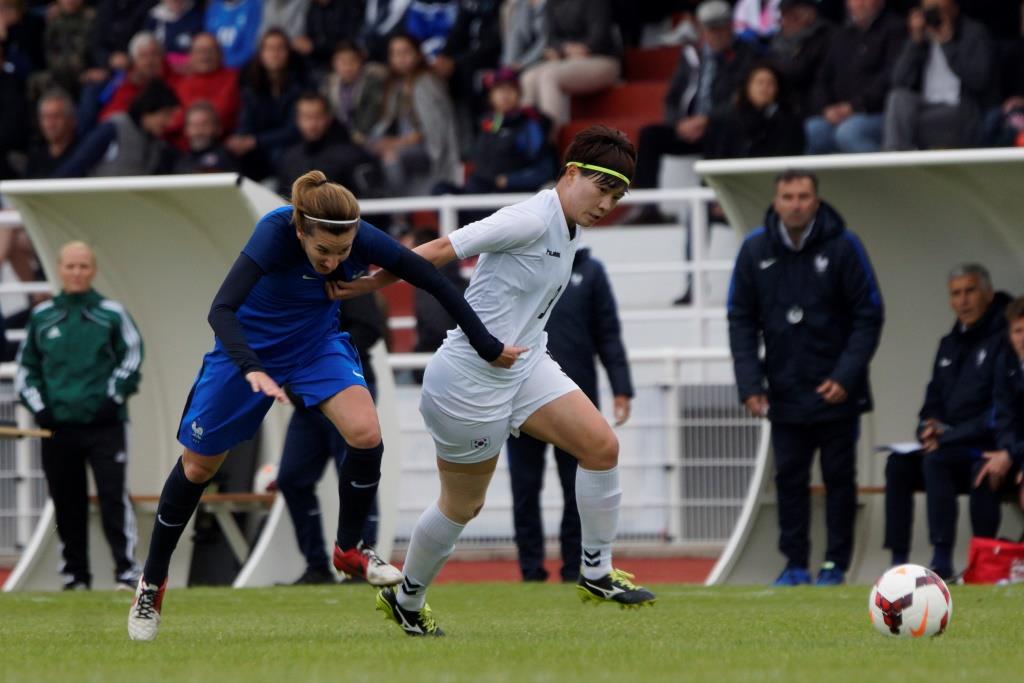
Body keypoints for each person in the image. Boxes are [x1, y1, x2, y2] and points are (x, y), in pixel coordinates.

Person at [126, 169, 521, 641]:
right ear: (300, 231)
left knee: (366, 433)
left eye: (343, 251)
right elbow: (221, 309)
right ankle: (152, 583)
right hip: (246, 353)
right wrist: (251, 367)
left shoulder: (357, 233)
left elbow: (429, 279)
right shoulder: (274, 232)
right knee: (197, 468)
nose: (333, 262)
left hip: (315, 346)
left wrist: (485, 344)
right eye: (323, 252)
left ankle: (349, 549)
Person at [337, 125, 656, 637]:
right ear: (571, 173)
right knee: (463, 505)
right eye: (602, 189)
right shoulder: (529, 218)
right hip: (468, 379)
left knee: (601, 447)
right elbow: (440, 249)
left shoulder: (570, 227)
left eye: (616, 197)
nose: (606, 204)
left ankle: (596, 573)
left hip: (525, 364)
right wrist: (369, 285)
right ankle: (406, 597)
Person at [727, 169, 884, 586]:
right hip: (784, 389)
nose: (795, 204)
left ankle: (835, 565)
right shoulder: (755, 249)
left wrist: (845, 376)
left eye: (803, 196)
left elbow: (869, 314)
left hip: (837, 392)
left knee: (839, 479)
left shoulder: (844, 245)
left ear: (816, 200)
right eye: (788, 196)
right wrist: (750, 384)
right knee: (789, 480)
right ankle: (794, 565)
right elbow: (740, 319)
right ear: (776, 201)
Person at [16, 241, 144, 591]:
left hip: (107, 426)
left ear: (93, 270)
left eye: (83, 266)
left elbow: (132, 357)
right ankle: (75, 576)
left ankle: (126, 570)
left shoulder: (112, 313)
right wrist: (41, 408)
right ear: (59, 270)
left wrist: (112, 398)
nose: (77, 272)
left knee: (113, 497)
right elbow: (27, 370)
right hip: (58, 429)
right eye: (70, 266)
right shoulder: (42, 317)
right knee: (66, 501)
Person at [506, 245, 633, 583]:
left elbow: (608, 332)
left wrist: (622, 387)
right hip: (521, 399)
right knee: (525, 489)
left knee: (577, 488)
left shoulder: (591, 272)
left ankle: (575, 568)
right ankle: (530, 571)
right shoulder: (520, 265)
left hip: (576, 402)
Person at [885, 265, 1009, 578]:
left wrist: (946, 438)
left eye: (970, 291)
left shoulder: (1004, 341)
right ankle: (897, 563)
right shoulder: (948, 344)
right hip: (948, 444)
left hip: (984, 448)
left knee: (938, 460)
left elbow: (998, 412)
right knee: (898, 464)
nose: (963, 300)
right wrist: (926, 428)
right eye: (956, 294)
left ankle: (943, 559)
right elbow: (932, 400)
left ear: (988, 294)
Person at [277, 292, 392, 585]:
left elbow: (368, 327)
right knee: (292, 478)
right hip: (306, 399)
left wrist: (324, 359)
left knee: (356, 472)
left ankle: (360, 560)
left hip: (346, 389)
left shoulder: (348, 274)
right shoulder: (289, 280)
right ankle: (316, 565)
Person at [626, 0, 758, 223]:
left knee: (723, 129)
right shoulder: (692, 54)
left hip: (721, 128)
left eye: (720, 29)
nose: (715, 35)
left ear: (730, 27)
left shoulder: (745, 55)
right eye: (710, 29)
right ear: (701, 30)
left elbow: (740, 101)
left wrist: (707, 120)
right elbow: (672, 98)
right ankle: (648, 208)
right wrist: (678, 123)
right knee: (650, 135)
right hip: (688, 127)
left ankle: (713, 202)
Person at [883, 0, 995, 151]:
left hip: (960, 109)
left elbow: (978, 80)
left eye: (938, 9)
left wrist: (948, 43)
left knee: (899, 126)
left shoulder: (973, 33)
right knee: (898, 98)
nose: (934, 15)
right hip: (924, 106)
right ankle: (898, 157)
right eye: (929, 10)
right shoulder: (922, 36)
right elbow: (898, 80)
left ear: (954, 8)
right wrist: (915, 42)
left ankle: (897, 158)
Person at [805, 0, 905, 154]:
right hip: (839, 113)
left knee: (849, 133)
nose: (859, 4)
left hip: (878, 113)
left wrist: (855, 106)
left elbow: (891, 77)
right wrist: (826, 109)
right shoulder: (840, 35)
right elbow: (822, 79)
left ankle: (886, 170)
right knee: (813, 130)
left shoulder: (895, 29)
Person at [367, 33, 459, 196]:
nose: (400, 58)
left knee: (391, 157)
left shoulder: (426, 82)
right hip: (405, 142)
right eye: (395, 53)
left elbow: (433, 129)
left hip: (427, 148)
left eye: (405, 52)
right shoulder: (395, 84)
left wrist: (396, 143)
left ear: (418, 54)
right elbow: (387, 121)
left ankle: (400, 208)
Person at [519, 0, 621, 127]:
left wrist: (577, 49)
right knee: (528, 77)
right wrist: (566, 50)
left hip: (602, 59)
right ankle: (526, 132)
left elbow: (599, 37)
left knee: (549, 76)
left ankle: (550, 133)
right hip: (566, 59)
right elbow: (550, 39)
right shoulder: (552, 3)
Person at [226, 28, 306, 180]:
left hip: (288, 145)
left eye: (280, 48)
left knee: (282, 155)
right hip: (259, 146)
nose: (275, 54)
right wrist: (240, 138)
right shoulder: (251, 85)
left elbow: (294, 130)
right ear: (261, 53)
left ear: (289, 52)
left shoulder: (301, 84)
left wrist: (255, 141)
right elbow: (246, 119)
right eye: (269, 48)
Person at [55, 80, 180, 177]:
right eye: (166, 114)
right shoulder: (114, 129)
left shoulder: (157, 144)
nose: (168, 122)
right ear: (149, 109)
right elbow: (77, 164)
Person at [275, 92, 380, 198]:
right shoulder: (289, 159)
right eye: (306, 117)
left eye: (317, 117)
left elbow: (372, 197)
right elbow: (281, 199)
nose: (312, 124)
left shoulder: (352, 156)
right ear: (298, 119)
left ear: (328, 117)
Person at [702, 63, 806, 159]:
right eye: (760, 82)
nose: (764, 87)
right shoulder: (725, 119)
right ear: (747, 86)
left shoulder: (788, 122)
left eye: (771, 83)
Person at [768, 0, 835, 118]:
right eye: (783, 16)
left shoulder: (825, 35)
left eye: (793, 16)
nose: (785, 22)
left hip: (815, 105)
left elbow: (799, 69)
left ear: (809, 12)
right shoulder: (779, 39)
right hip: (785, 102)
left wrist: (773, 64)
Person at [989, 297, 1024, 518]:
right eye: (1018, 331)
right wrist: (1008, 452)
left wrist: (1011, 453)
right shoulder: (1006, 363)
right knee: (985, 472)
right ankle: (984, 538)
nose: (1023, 338)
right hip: (1017, 450)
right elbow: (1004, 417)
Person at [320, 41, 387, 145]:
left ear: (361, 62)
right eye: (342, 62)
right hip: (338, 135)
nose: (348, 67)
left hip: (368, 133)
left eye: (353, 61)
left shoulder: (371, 82)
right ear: (334, 63)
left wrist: (359, 134)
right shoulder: (328, 84)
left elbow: (372, 111)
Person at [26, 89, 80, 178]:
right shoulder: (36, 158)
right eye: (45, 117)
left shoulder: (82, 153)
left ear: (71, 119)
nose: (50, 124)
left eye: (56, 116)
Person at [173, 100, 238, 173]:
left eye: (204, 124)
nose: (198, 130)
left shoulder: (228, 157)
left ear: (218, 127)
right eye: (193, 125)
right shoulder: (180, 162)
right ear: (185, 130)